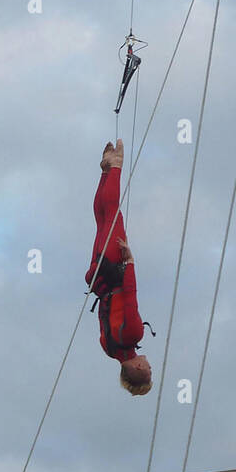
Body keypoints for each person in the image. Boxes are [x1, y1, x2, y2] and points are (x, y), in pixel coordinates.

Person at [87, 138, 152, 395]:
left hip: (113, 268)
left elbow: (130, 297)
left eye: (148, 368)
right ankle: (105, 172)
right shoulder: (109, 350)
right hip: (98, 275)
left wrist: (131, 262)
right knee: (102, 219)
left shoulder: (134, 335)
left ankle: (114, 166)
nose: (149, 363)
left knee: (112, 214)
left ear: (137, 367)